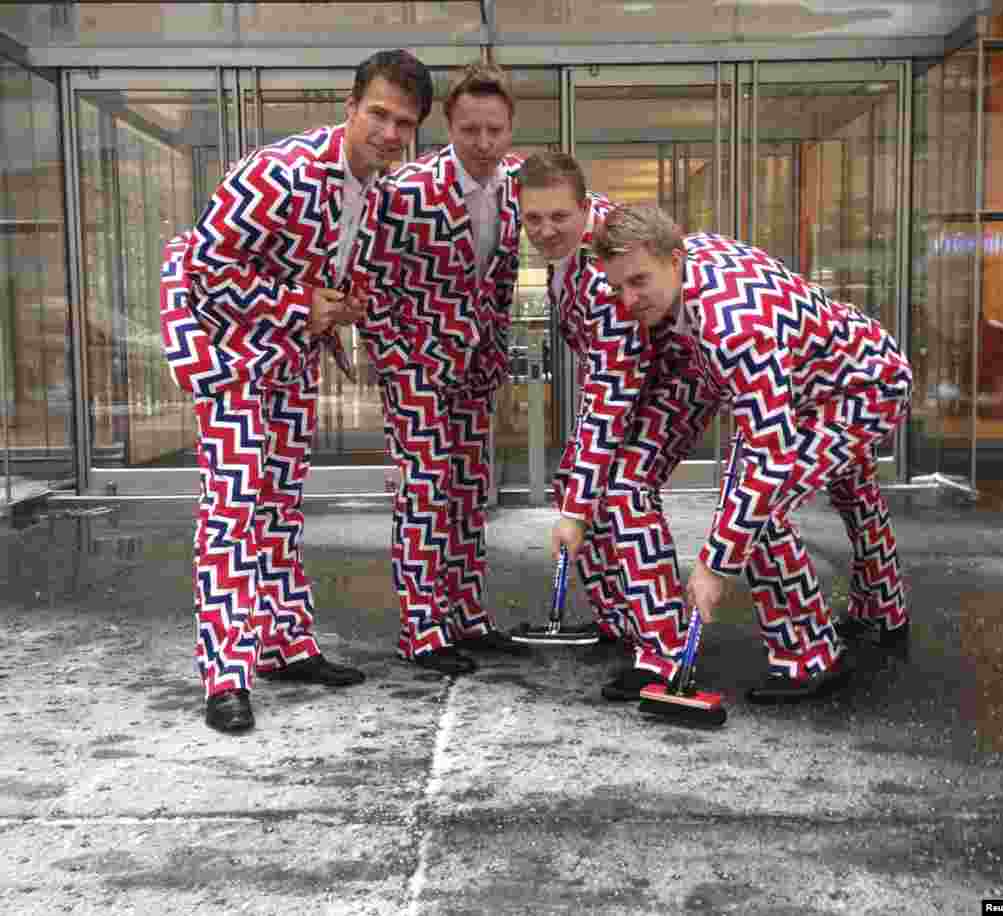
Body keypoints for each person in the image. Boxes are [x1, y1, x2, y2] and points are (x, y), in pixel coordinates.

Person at [159, 50, 434, 733]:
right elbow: (202, 270)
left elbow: (325, 269)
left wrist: (341, 309)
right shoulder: (278, 170)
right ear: (351, 106)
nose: (390, 132)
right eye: (379, 114)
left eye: (405, 122)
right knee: (234, 511)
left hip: (286, 361)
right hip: (228, 358)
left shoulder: (371, 187)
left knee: (279, 506)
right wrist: (299, 307)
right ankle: (225, 676)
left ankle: (286, 645)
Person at [591, 204, 914, 702]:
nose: (628, 300)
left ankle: (810, 656)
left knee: (763, 508)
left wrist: (713, 563)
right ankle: (885, 610)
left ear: (674, 259)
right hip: (807, 375)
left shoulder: (734, 324)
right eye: (618, 287)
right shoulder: (681, 261)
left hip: (864, 386)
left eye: (638, 282)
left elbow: (767, 459)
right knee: (853, 492)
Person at [518, 152, 718, 700]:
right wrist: (578, 496)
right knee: (585, 483)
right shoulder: (567, 252)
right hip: (632, 378)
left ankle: (666, 650)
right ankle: (622, 621)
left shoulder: (608, 268)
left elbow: (612, 392)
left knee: (624, 489)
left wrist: (575, 510)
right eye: (532, 219)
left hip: (679, 379)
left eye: (558, 217)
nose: (545, 230)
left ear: (585, 208)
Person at [353, 62, 529, 676]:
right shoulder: (406, 188)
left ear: (509, 130)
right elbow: (367, 281)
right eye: (470, 130)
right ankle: (422, 629)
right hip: (417, 372)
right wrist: (395, 361)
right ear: (448, 126)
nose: (483, 144)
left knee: (467, 495)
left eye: (495, 131)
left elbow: (500, 278)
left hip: (478, 372)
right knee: (424, 497)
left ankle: (467, 614)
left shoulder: (515, 187)